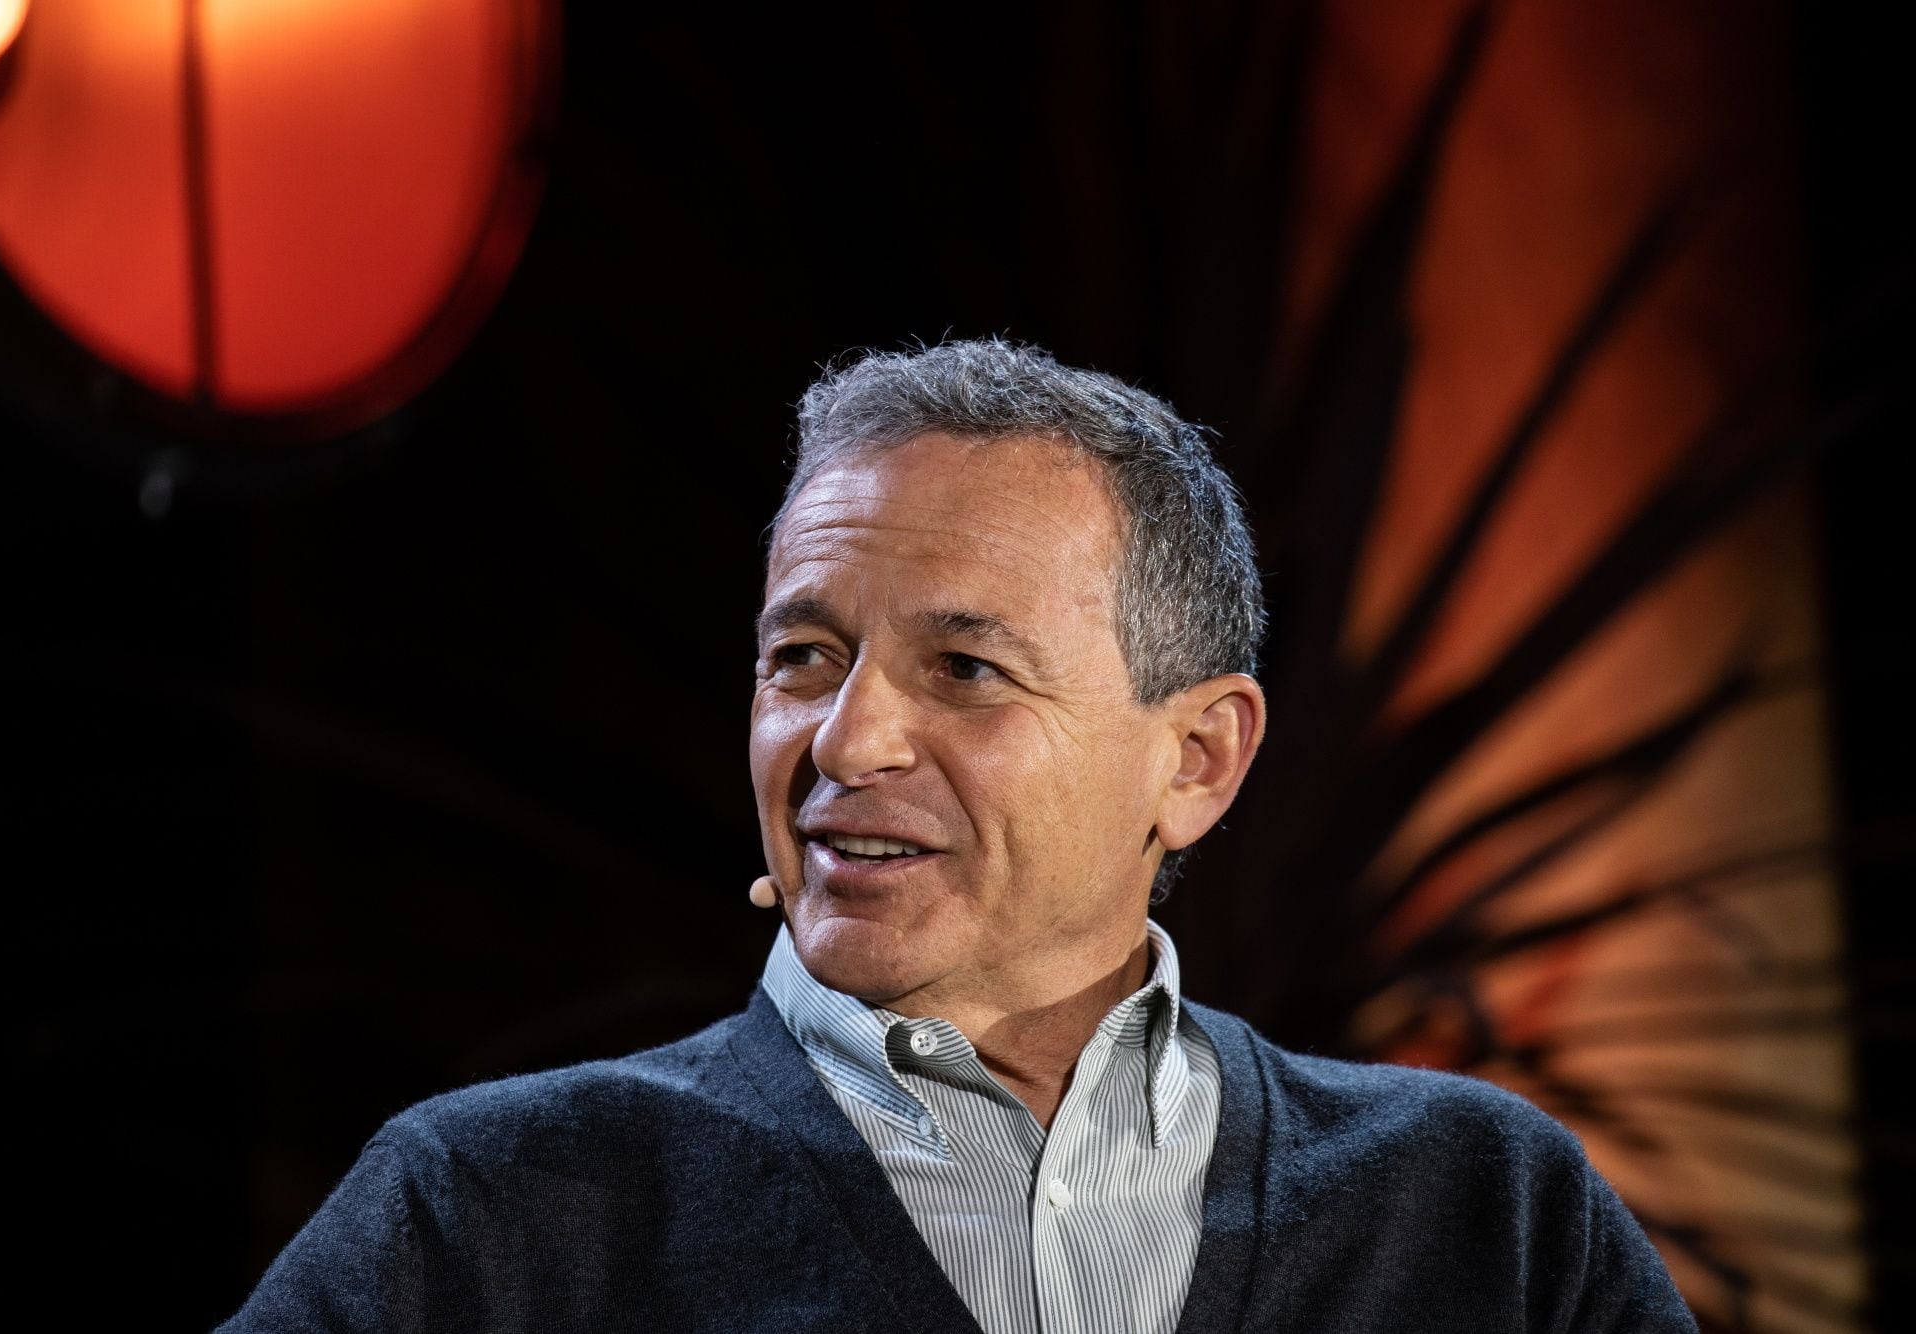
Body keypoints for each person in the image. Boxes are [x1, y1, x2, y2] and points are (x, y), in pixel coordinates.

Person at [221, 339, 1696, 1332]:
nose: (845, 740)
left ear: (1196, 759)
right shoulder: (492, 1215)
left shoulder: (1486, 1216)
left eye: (966, 668)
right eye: (803, 657)